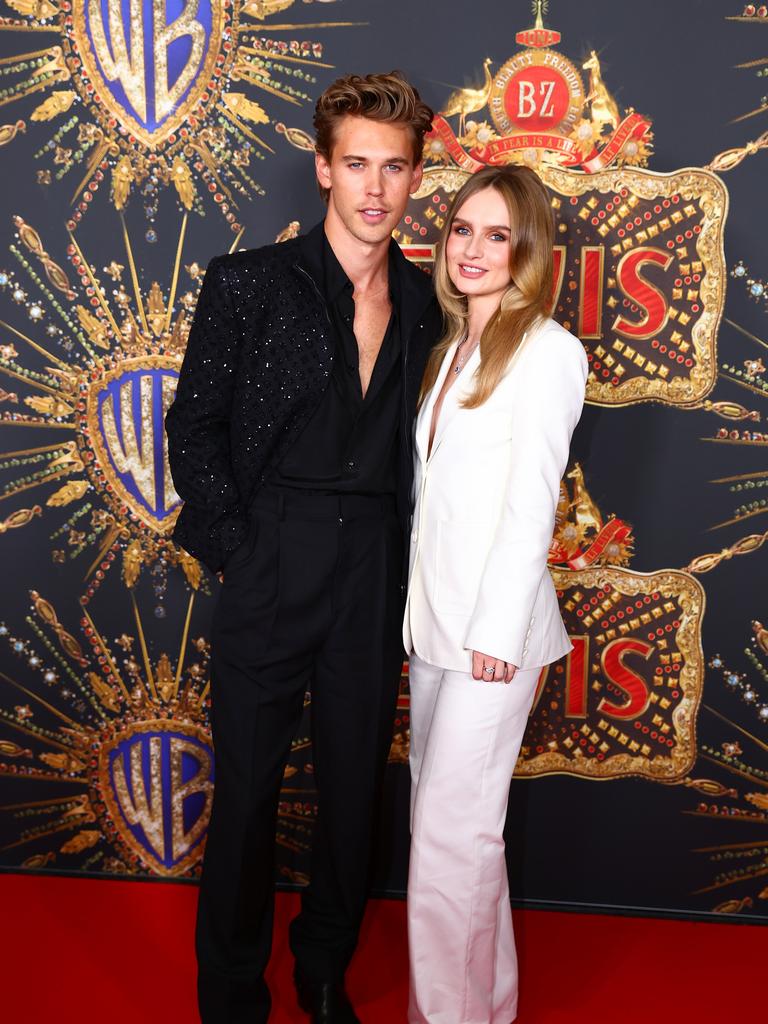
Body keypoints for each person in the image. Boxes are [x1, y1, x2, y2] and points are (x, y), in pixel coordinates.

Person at [165, 72, 440, 1024]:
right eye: (356, 164)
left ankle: (324, 973)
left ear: (415, 178)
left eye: (394, 168)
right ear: (322, 167)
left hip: (373, 563)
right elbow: (192, 429)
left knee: (356, 791)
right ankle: (233, 995)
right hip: (272, 553)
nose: (374, 188)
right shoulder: (248, 283)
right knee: (244, 797)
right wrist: (243, 550)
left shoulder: (426, 300)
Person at [403, 165, 589, 1024]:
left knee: (450, 842)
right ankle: (486, 1009)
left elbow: (531, 506)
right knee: (456, 838)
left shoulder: (549, 351)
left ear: (528, 249)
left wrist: (495, 635)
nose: (475, 249)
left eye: (497, 234)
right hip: (434, 627)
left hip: (492, 638)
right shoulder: (449, 350)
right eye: (463, 230)